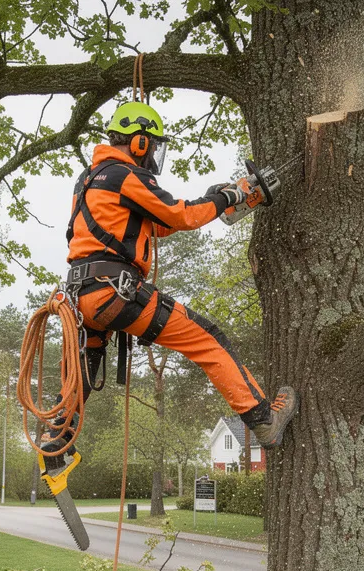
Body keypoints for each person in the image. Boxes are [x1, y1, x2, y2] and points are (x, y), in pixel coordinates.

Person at [52, 101, 297, 451]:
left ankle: (58, 433)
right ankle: (263, 421)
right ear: (139, 142)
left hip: (83, 295)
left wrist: (217, 202)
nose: (152, 153)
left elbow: (153, 225)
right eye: (151, 145)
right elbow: (179, 216)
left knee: (86, 363)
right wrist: (229, 195)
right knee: (209, 339)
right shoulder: (126, 175)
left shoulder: (89, 179)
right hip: (114, 291)